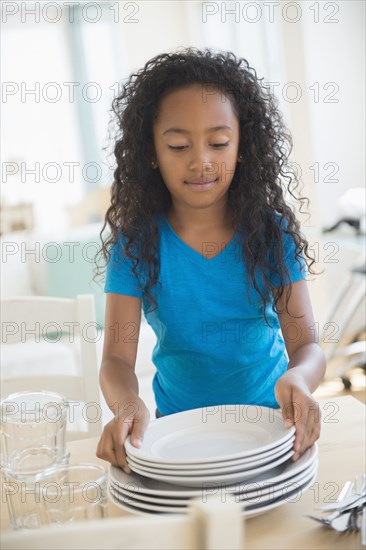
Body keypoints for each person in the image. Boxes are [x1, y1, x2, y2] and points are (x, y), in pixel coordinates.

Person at [95, 47, 326, 474]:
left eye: (218, 142)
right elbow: (116, 360)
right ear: (151, 152)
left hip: (272, 425)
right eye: (179, 145)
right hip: (177, 433)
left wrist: (299, 379)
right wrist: (128, 405)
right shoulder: (136, 244)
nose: (201, 160)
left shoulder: (271, 234)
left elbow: (307, 346)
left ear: (243, 146)